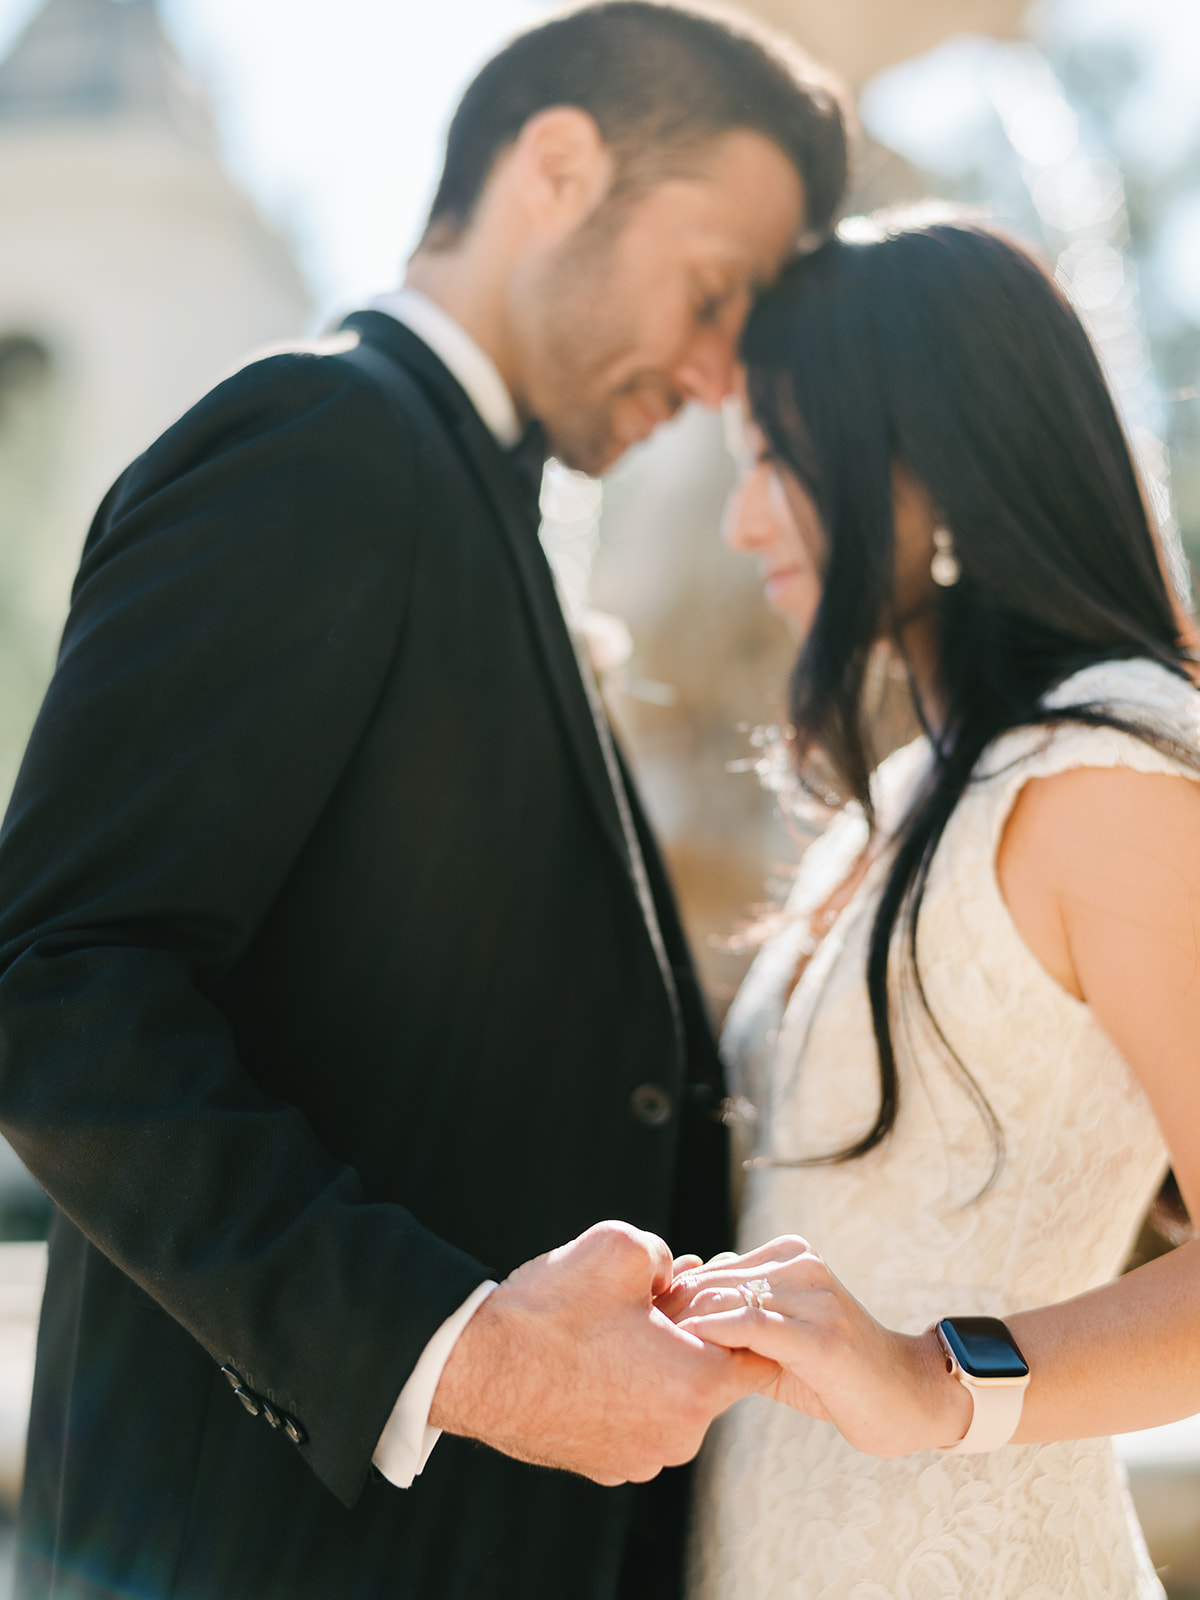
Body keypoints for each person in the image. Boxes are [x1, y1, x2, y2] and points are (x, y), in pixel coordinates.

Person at [0, 7, 850, 1598]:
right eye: (715, 286)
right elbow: (52, 981)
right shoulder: (316, 441)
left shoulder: (476, 504)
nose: (725, 365)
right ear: (558, 166)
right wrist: (467, 1359)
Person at [662, 216, 1200, 1599]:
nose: (742, 519)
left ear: (935, 460)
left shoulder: (1109, 779)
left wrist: (938, 1374)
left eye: (779, 457)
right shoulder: (904, 795)